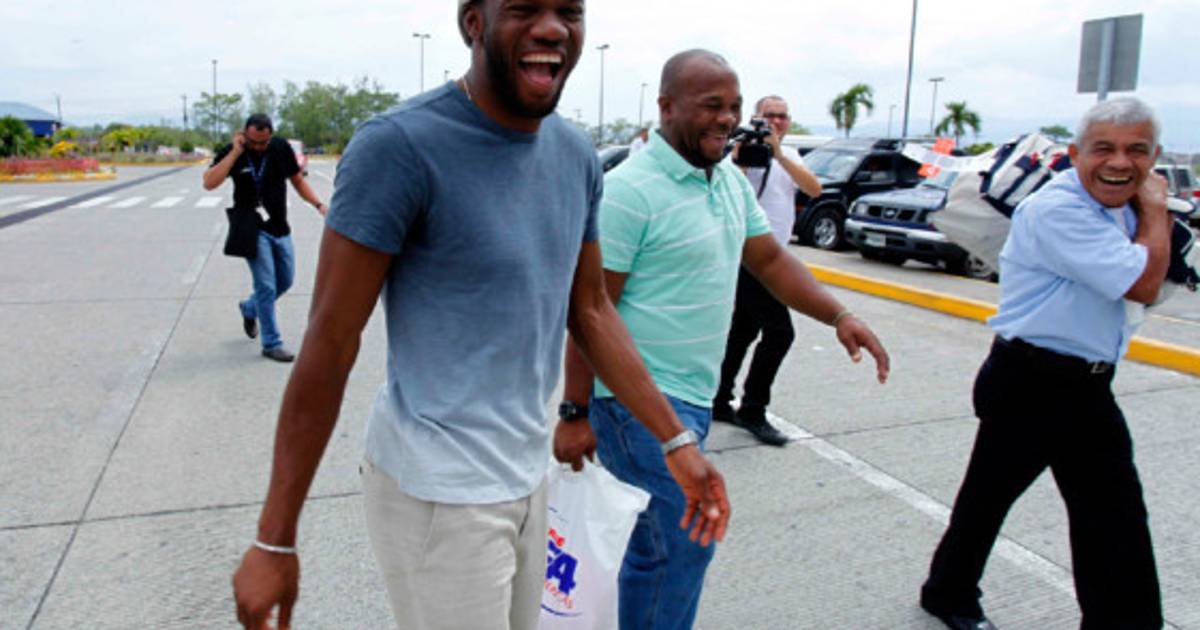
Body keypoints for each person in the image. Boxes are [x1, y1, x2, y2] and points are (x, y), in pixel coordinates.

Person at [231, 2, 730, 629]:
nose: (553, 28)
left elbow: (591, 308)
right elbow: (330, 342)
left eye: (570, 11)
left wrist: (676, 442)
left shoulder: (575, 154)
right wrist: (275, 537)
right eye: (524, 8)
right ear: (473, 22)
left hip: (529, 473)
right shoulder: (400, 146)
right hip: (438, 493)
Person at [554, 49, 889, 629]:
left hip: (692, 397)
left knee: (661, 547)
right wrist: (574, 411)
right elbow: (589, 311)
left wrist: (838, 315)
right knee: (680, 546)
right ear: (666, 107)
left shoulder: (729, 180)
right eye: (711, 105)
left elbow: (770, 260)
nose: (727, 118)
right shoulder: (630, 191)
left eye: (733, 106)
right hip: (637, 403)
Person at [919, 97, 1170, 630]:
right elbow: (1143, 283)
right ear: (1076, 154)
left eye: (1136, 150)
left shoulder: (1118, 207)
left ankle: (949, 589)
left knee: (1112, 520)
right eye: (1103, 148)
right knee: (992, 501)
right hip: (1031, 381)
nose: (1119, 162)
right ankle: (948, 593)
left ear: (1154, 158)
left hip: (1085, 385)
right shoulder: (1058, 210)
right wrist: (1156, 211)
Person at [713, 95, 822, 445]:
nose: (775, 122)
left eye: (782, 116)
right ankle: (753, 409)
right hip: (748, 258)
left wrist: (779, 156)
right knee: (780, 332)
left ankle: (718, 398)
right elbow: (725, 190)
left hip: (775, 258)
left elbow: (814, 189)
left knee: (742, 331)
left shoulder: (789, 155)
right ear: (755, 119)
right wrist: (742, 157)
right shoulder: (738, 153)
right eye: (768, 116)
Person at [202, 113, 327, 363]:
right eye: (253, 142)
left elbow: (297, 181)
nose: (259, 147)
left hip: (279, 226)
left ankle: (250, 308)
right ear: (244, 134)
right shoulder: (234, 151)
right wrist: (235, 153)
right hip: (252, 227)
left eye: (263, 142)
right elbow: (209, 183)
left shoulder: (280, 148)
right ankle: (271, 343)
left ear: (271, 136)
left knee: (286, 280)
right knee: (266, 286)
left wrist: (318, 204)